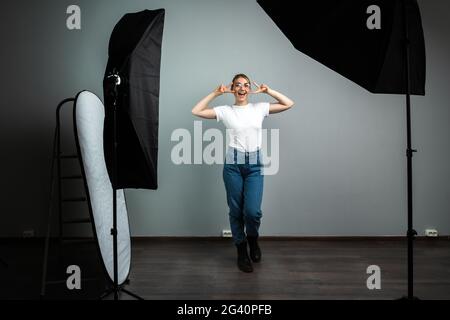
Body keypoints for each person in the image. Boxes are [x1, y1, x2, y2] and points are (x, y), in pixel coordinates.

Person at [192, 74, 294, 273]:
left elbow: (288, 103)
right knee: (236, 211)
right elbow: (196, 110)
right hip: (233, 164)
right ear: (232, 88)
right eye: (237, 85)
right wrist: (215, 93)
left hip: (255, 163)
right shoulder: (226, 111)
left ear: (249, 89)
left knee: (253, 212)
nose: (242, 88)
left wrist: (268, 91)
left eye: (246, 85)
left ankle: (253, 240)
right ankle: (241, 250)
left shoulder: (260, 108)